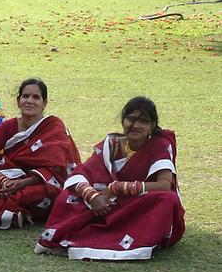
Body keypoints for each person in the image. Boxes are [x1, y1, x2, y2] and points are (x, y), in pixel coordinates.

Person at [36, 97, 184, 260]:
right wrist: (92, 197)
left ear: (152, 126)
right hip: (107, 203)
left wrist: (118, 188)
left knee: (168, 200)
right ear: (123, 120)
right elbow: (81, 174)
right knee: (67, 197)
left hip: (136, 204)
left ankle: (134, 239)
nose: (135, 125)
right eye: (131, 119)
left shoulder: (160, 145)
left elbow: (164, 185)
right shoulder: (111, 145)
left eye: (143, 121)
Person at [0, 78, 80, 230]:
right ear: (18, 101)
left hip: (36, 182)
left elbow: (56, 170)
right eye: (25, 96)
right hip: (8, 176)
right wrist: (2, 180)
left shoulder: (54, 127)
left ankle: (5, 212)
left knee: (42, 194)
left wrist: (22, 183)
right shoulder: (9, 126)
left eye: (35, 97)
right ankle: (11, 213)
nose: (29, 101)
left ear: (44, 103)